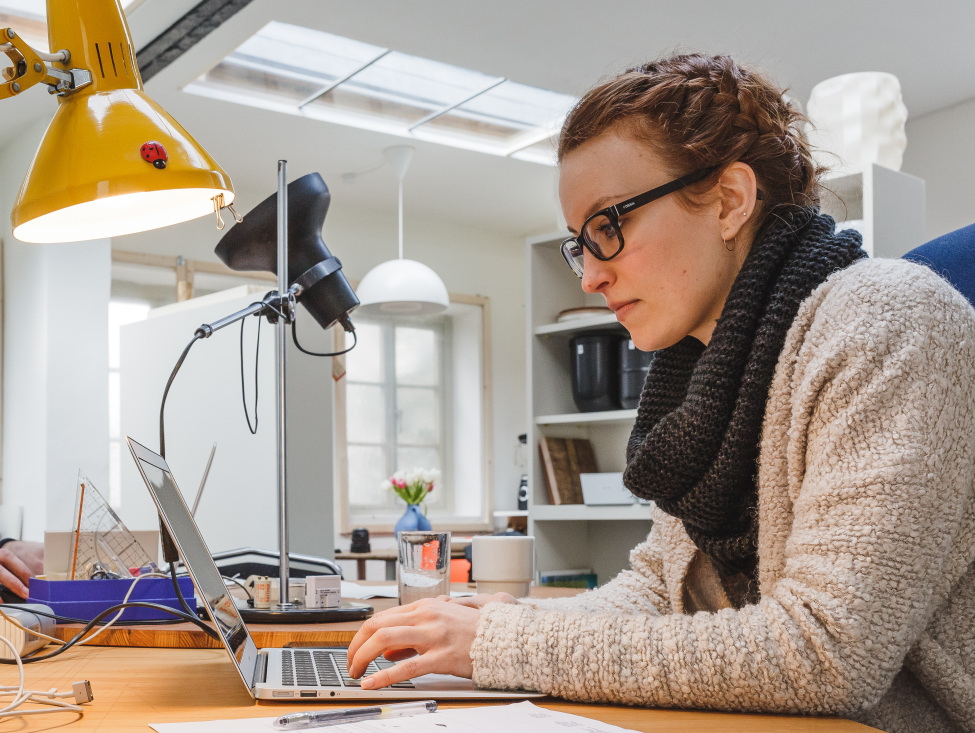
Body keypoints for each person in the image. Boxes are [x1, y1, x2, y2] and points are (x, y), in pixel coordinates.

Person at [346, 53, 975, 732]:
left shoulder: (886, 318)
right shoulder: (708, 372)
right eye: (577, 243)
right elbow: (657, 588)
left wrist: (503, 642)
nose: (588, 276)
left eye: (608, 226)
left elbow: (827, 649)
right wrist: (503, 619)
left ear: (729, 200)